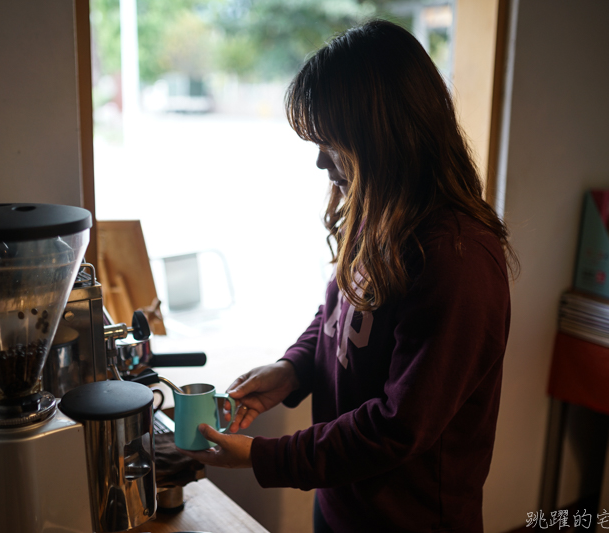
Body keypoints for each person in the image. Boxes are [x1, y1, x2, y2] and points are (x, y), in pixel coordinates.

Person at [179, 18, 517, 533]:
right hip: (341, 505)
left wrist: (263, 457)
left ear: (383, 136)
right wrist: (293, 369)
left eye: (330, 142)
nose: (319, 161)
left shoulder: (458, 258)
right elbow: (338, 312)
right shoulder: (376, 208)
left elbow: (397, 426)